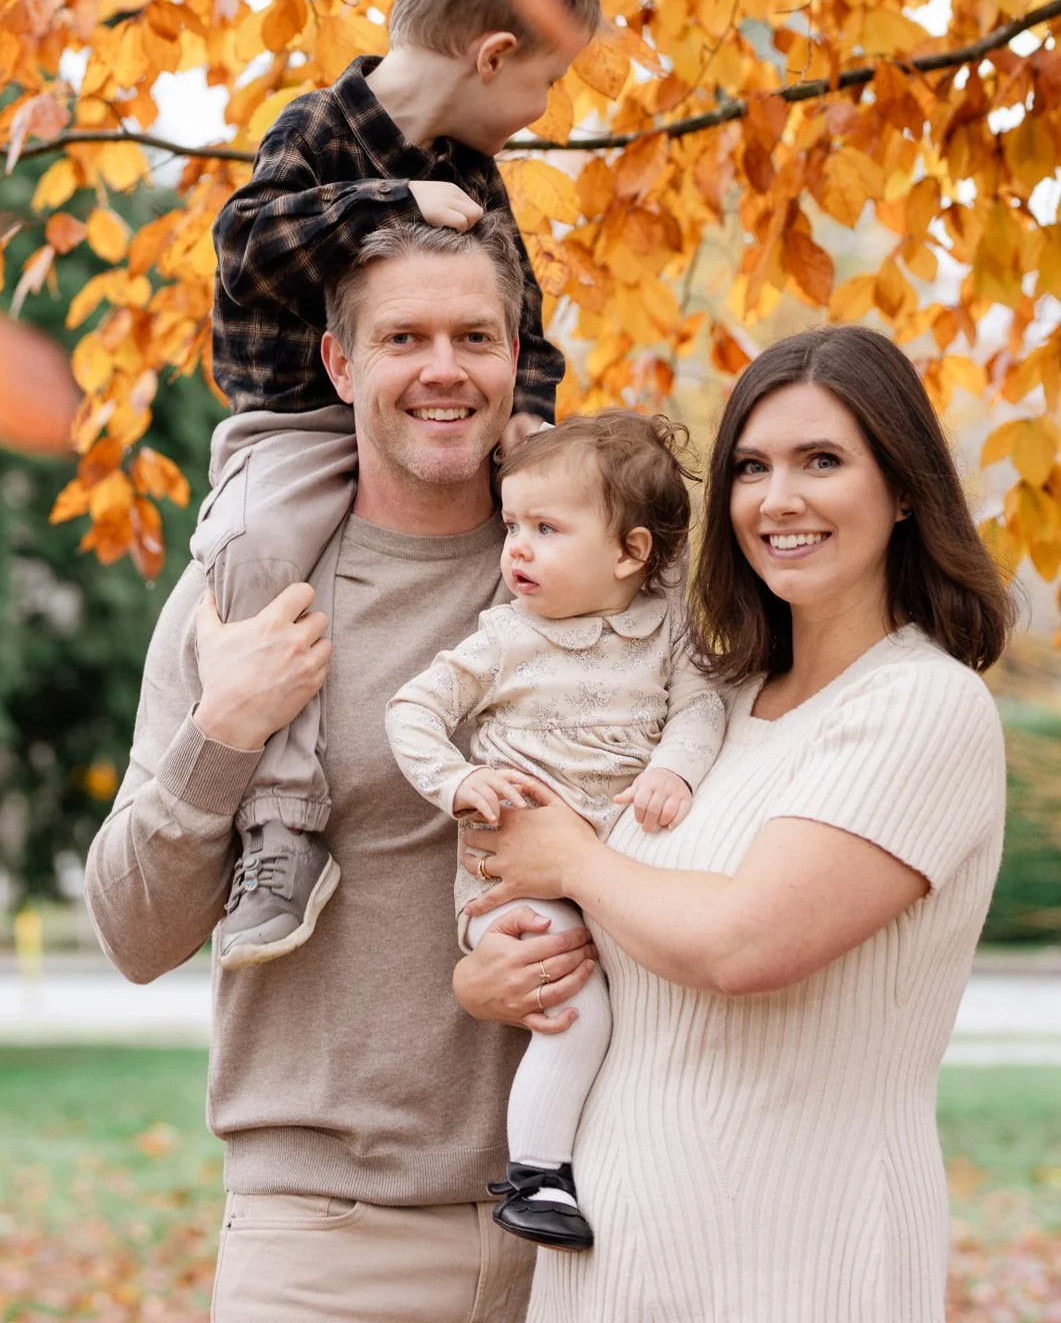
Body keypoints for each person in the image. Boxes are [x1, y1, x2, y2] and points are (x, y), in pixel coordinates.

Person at [85, 214, 601, 1323]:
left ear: (519, 355)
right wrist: (226, 729)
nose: (444, 369)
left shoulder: (602, 582)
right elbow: (132, 933)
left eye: (476, 335)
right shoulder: (243, 600)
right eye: (404, 337)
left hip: (587, 1228)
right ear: (340, 360)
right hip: (322, 1236)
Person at [455, 324, 1012, 1323]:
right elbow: (613, 948)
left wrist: (575, 858)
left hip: (794, 1257)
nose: (777, 497)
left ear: (903, 488)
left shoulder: (921, 704)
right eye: (751, 466)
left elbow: (745, 941)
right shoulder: (711, 706)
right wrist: (492, 971)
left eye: (823, 460)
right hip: (607, 1256)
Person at [195, 0, 601, 969]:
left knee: (550, 525)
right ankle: (281, 822)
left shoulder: (481, 179)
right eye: (544, 83)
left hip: (422, 427)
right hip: (294, 422)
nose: (543, 109)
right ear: (493, 52)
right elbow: (246, 243)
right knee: (255, 552)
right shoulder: (319, 126)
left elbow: (527, 327)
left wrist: (531, 425)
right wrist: (391, 200)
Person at [385, 413, 724, 1249]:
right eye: (511, 527)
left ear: (630, 553)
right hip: (518, 882)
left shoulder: (669, 632)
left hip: (616, 874)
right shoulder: (505, 638)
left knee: (652, 1013)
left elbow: (704, 708)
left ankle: (636, 1171)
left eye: (545, 529)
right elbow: (411, 710)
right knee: (580, 1008)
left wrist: (672, 769)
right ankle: (537, 1175)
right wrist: (459, 781)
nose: (517, 551)